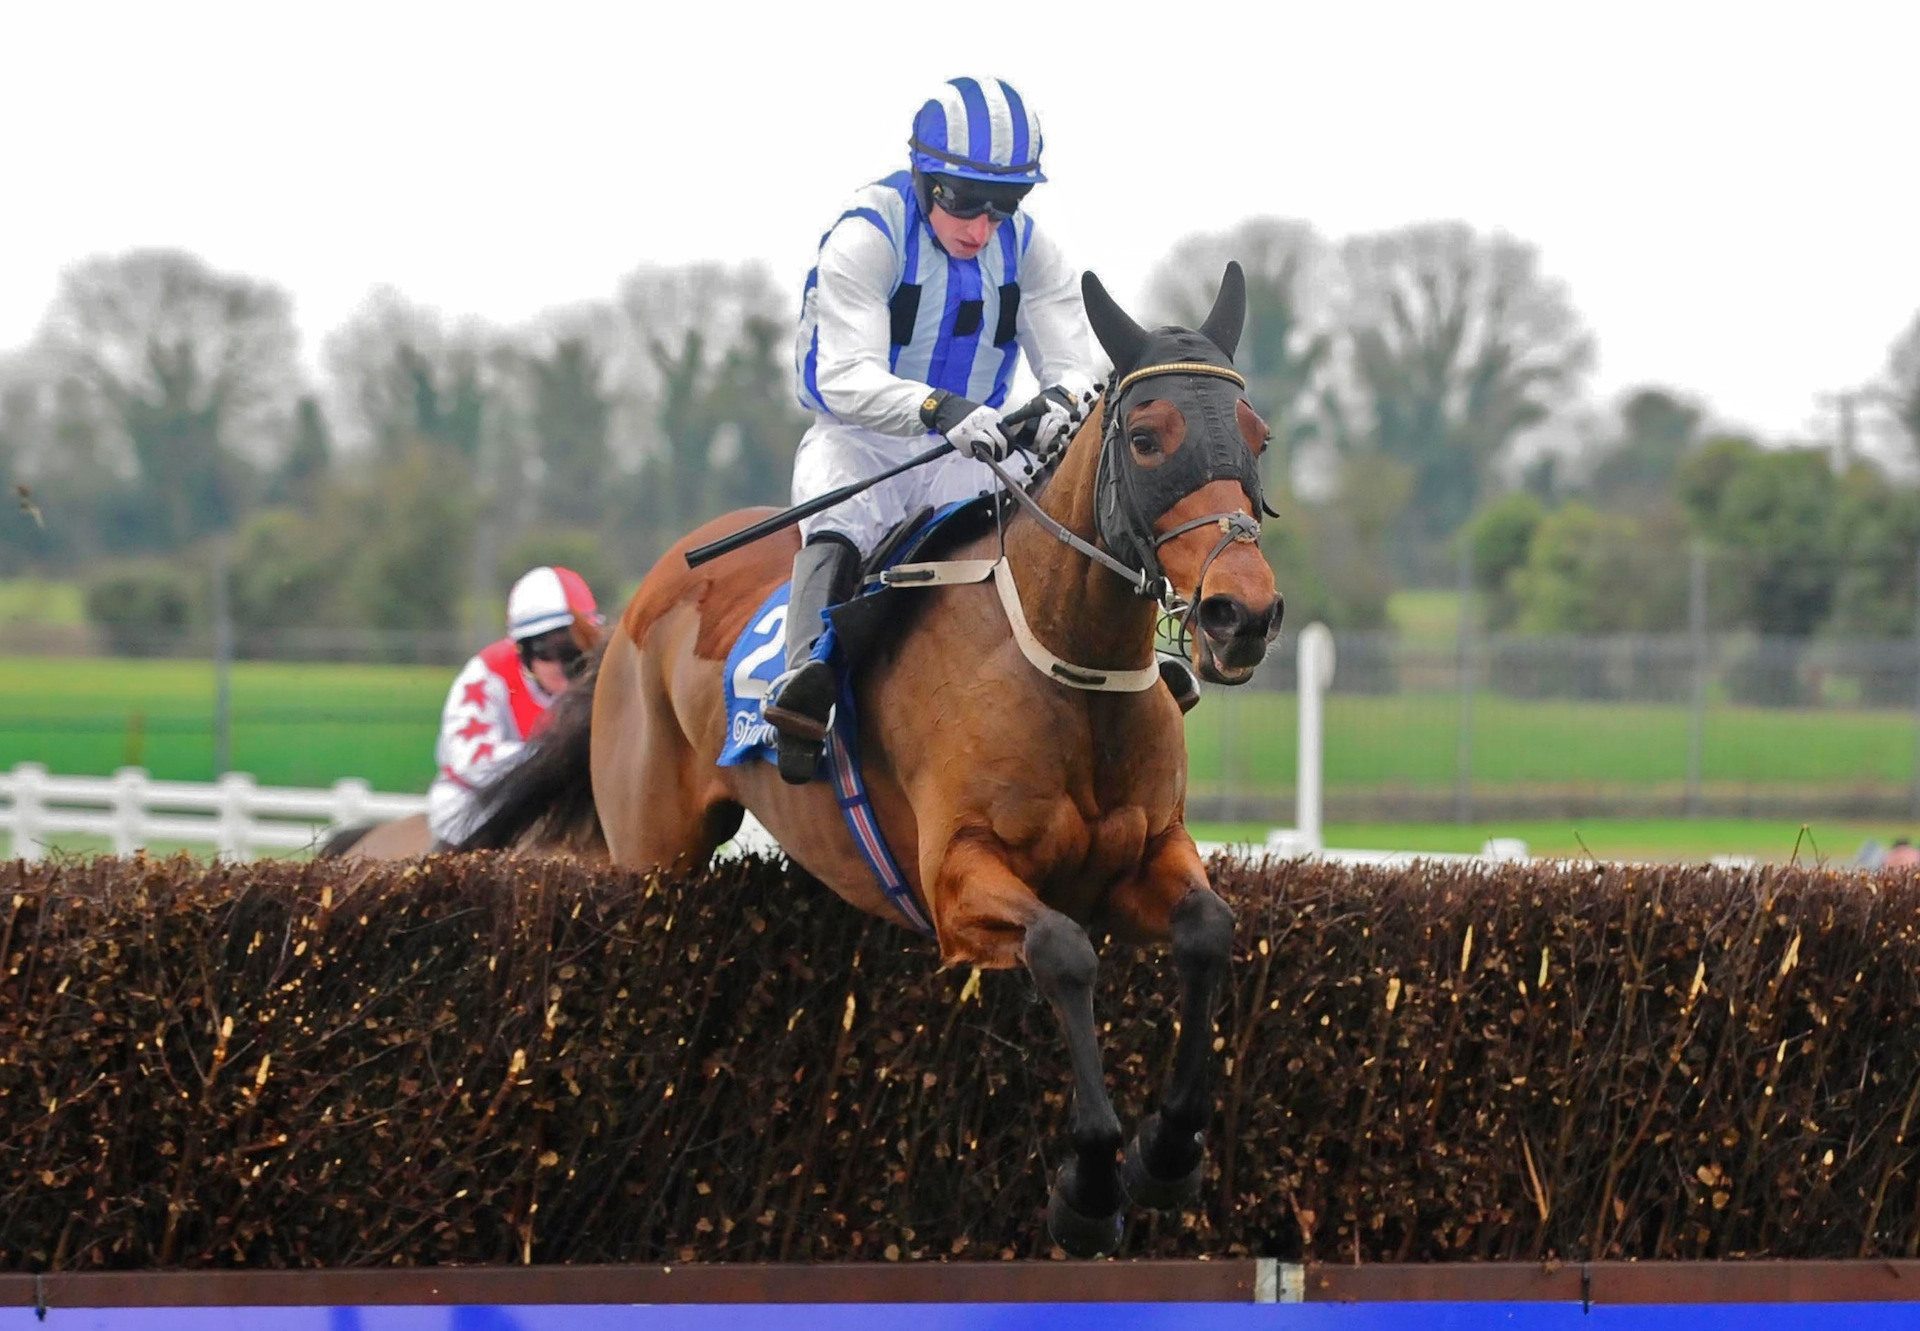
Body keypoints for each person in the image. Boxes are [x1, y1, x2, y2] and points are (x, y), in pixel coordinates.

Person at [765, 76, 1102, 783]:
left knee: (1066, 511)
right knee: (842, 515)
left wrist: (1056, 404)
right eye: (963, 200)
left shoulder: (1031, 251)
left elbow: (1077, 366)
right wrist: (937, 411)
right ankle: (805, 684)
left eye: (1004, 204)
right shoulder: (868, 235)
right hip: (863, 440)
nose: (981, 226)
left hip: (974, 447)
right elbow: (842, 375)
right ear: (924, 177)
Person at [425, 565, 603, 846]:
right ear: (523, 650)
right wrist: (553, 758)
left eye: (573, 648)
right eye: (544, 649)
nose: (562, 664)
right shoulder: (486, 675)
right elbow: (470, 760)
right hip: (478, 804)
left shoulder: (605, 679)